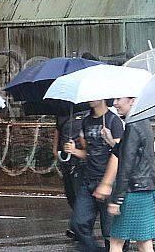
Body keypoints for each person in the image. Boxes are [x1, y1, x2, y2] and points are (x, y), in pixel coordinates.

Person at [100, 96, 155, 252]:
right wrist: (111, 141)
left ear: (132, 100)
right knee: (144, 241)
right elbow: (130, 151)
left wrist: (116, 199)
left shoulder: (132, 124)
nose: (115, 103)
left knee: (116, 241)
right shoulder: (142, 120)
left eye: (119, 99)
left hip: (134, 191)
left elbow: (127, 165)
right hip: (147, 189)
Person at [65, 100, 124, 252]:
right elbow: (87, 152)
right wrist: (74, 151)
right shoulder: (86, 120)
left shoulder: (114, 121)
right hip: (88, 180)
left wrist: (106, 183)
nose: (90, 99)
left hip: (109, 182)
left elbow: (118, 155)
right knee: (78, 223)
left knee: (111, 231)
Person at [53, 106, 85, 239]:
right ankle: (78, 225)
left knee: (80, 196)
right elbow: (58, 130)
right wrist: (55, 150)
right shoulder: (62, 112)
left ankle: (77, 227)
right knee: (71, 195)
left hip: (81, 162)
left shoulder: (86, 112)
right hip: (66, 160)